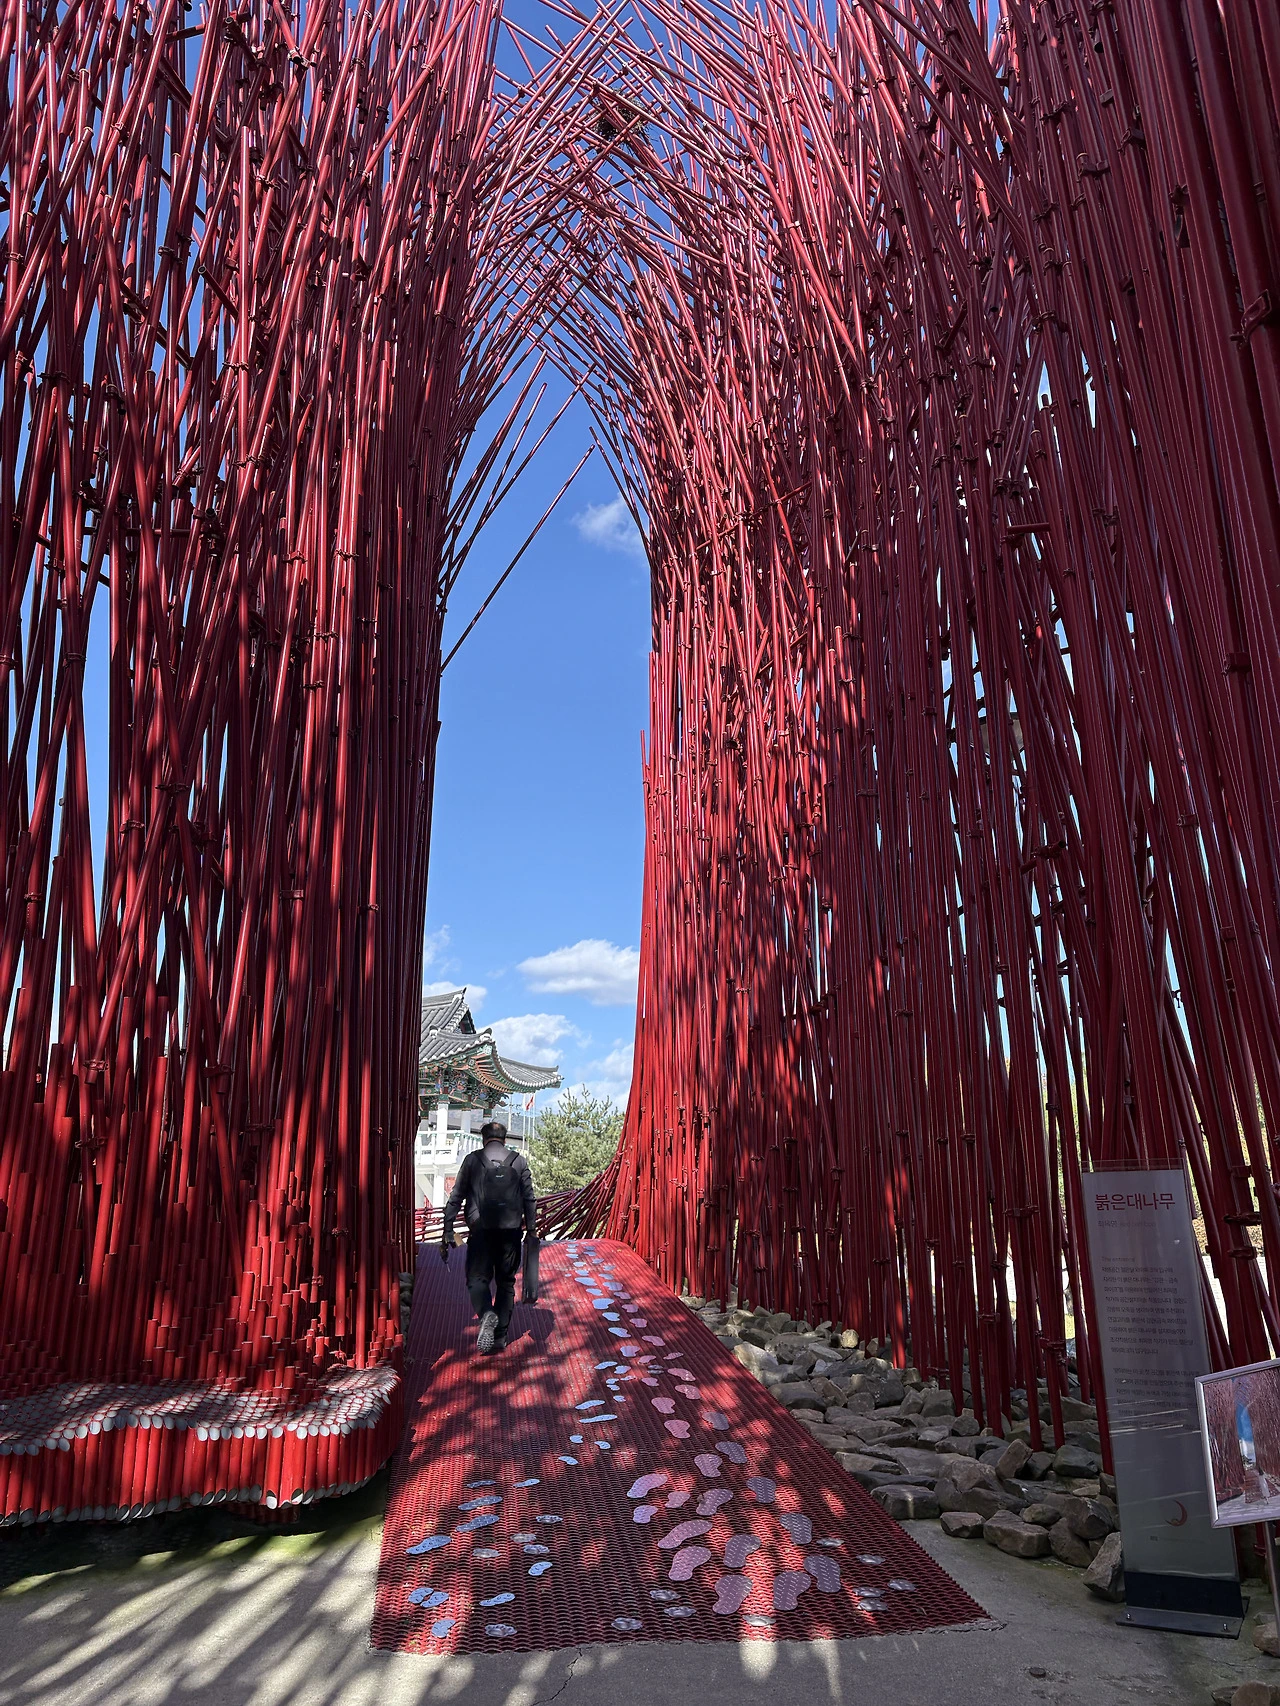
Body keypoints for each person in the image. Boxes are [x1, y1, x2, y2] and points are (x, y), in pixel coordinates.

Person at [441, 1120, 537, 1354]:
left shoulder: (472, 1160)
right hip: (510, 1231)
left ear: (483, 1138)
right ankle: (500, 1337)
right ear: (504, 1138)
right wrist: (531, 1229)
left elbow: (457, 1195)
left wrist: (448, 1228)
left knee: (477, 1278)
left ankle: (486, 1314)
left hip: (480, 1230)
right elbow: (529, 1198)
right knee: (506, 1282)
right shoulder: (518, 1161)